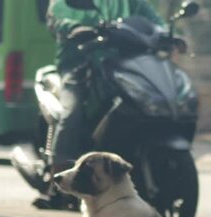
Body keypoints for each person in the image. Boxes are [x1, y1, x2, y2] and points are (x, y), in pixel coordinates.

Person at [46, 0, 165, 172]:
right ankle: (59, 173)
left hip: (119, 67)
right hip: (79, 64)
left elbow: (154, 20)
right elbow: (57, 18)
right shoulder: (64, 3)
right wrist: (74, 27)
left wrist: (167, 33)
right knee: (72, 112)